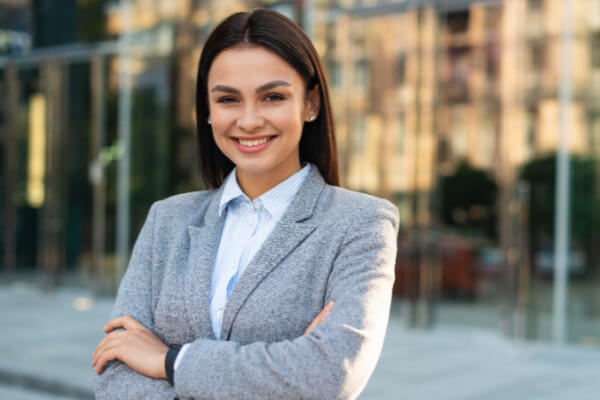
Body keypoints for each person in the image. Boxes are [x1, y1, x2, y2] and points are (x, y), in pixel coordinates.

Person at [93, 8, 398, 400]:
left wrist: (170, 361)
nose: (250, 120)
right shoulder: (165, 220)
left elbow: (328, 374)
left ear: (311, 104)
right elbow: (114, 374)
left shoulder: (361, 223)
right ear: (207, 110)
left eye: (272, 97)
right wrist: (278, 371)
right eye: (228, 99)